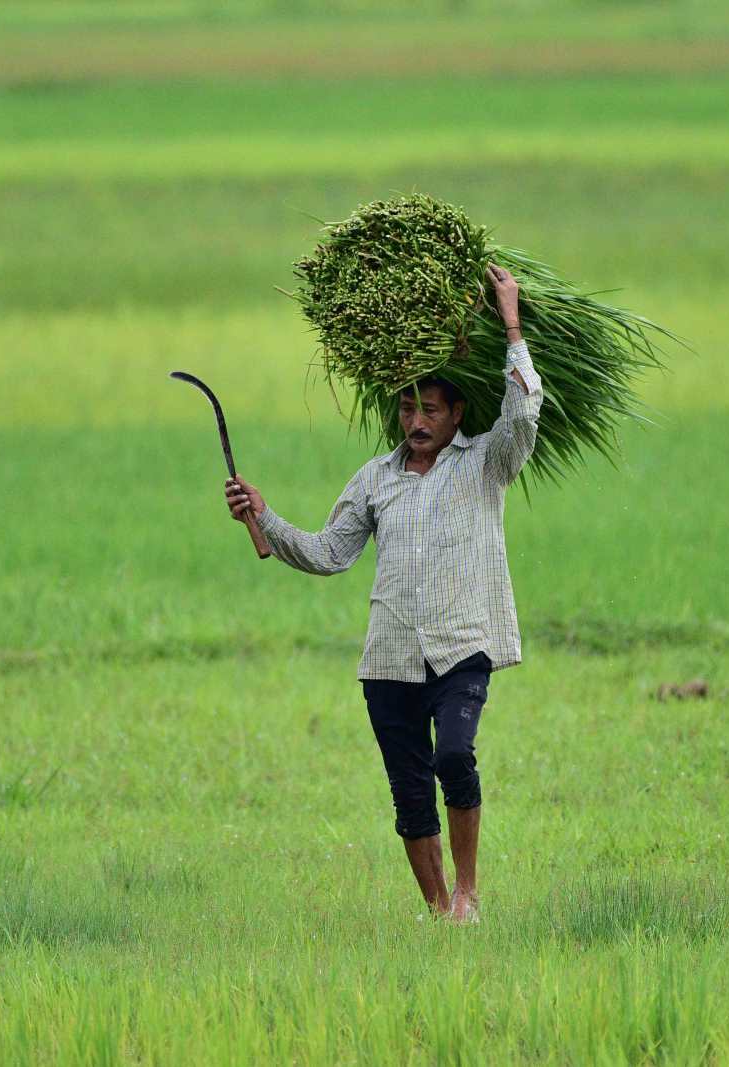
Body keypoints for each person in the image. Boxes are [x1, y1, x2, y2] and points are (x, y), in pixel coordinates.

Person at [223, 263, 541, 923]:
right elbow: (329, 552)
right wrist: (265, 515)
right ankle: (438, 918)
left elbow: (524, 412)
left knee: (454, 755)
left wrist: (511, 324)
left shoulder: (487, 461)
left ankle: (467, 893)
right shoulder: (376, 478)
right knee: (409, 797)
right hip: (389, 659)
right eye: (406, 406)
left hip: (462, 645)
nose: (416, 420)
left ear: (457, 412)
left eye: (431, 407)